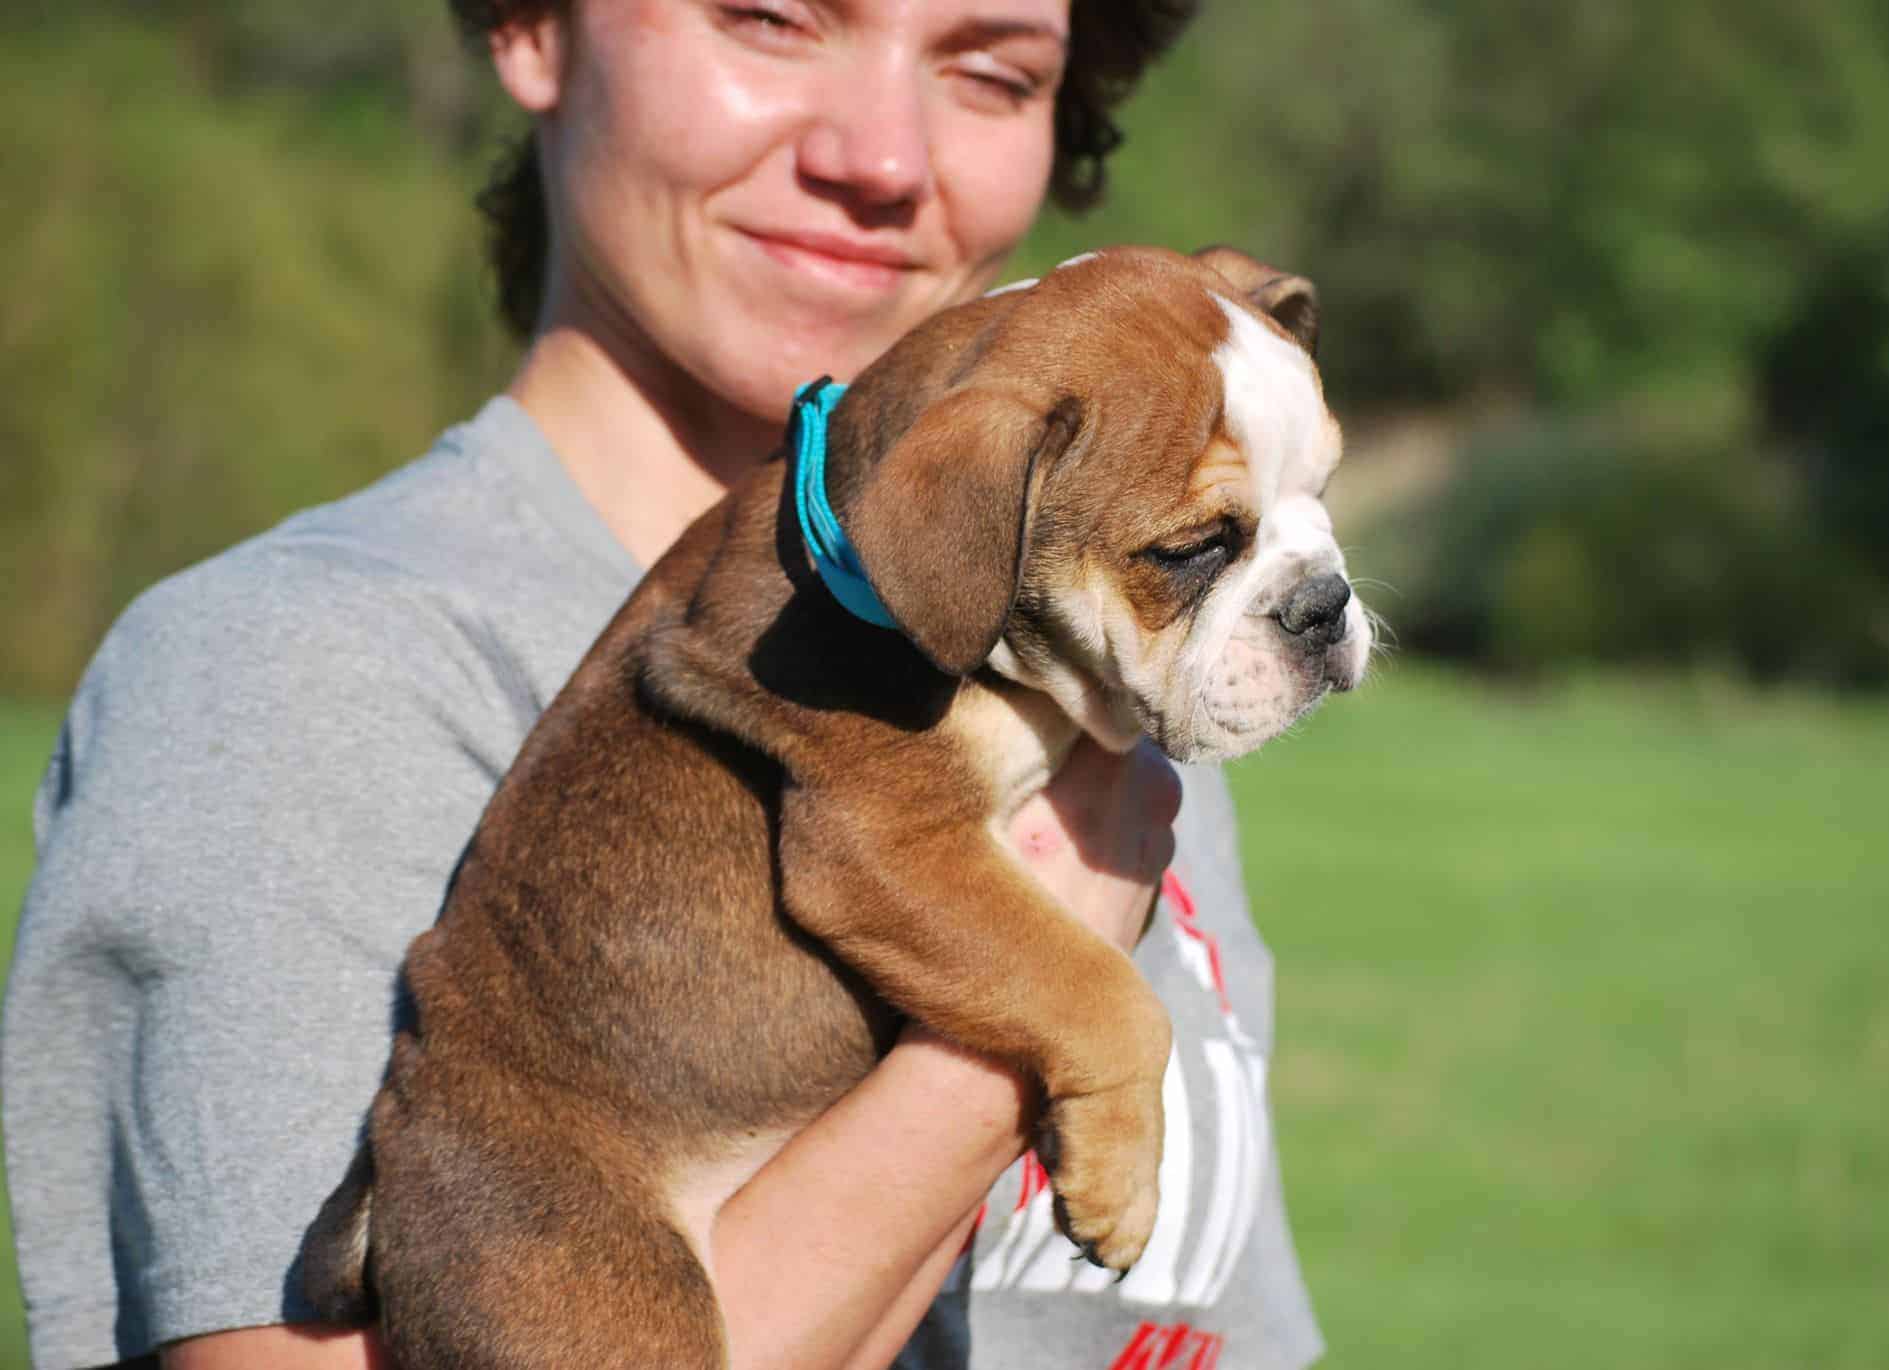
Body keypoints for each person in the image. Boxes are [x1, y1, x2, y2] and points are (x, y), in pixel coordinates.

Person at [2, 1, 1326, 1366]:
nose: (879, 154)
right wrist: (1039, 998)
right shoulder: (280, 686)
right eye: (768, 16)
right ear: (529, 27)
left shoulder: (1108, 619)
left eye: (990, 70)